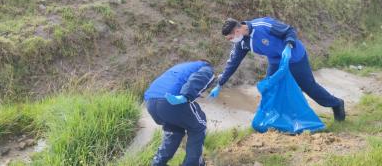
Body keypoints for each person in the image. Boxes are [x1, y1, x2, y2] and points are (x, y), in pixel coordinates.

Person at [208, 17, 346, 121]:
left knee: (308, 87)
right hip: (275, 61)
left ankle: (336, 104)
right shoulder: (242, 43)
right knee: (269, 88)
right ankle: (276, 119)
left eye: (230, 38)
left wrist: (288, 46)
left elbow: (289, 30)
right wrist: (220, 84)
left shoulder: (263, 25)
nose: (230, 41)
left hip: (294, 56)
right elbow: (233, 62)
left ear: (237, 30)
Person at [144, 60, 215, 166]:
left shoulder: (181, 67)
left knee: (174, 130)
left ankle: (158, 163)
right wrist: (186, 96)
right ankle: (193, 163)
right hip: (172, 100)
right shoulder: (206, 67)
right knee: (199, 125)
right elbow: (199, 78)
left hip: (150, 102)